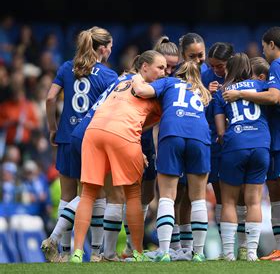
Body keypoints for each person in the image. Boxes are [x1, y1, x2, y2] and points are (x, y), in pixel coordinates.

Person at [223, 27, 280, 261]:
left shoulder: (278, 65)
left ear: (272, 44)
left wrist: (240, 95)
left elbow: (273, 97)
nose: (263, 51)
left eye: (264, 47)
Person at [69, 50, 166, 263]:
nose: (164, 72)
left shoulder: (123, 80)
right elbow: (146, 124)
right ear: (144, 67)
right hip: (121, 135)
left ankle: (77, 252)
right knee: (132, 194)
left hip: (94, 132)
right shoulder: (155, 91)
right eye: (160, 67)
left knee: (88, 194)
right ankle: (138, 252)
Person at [43, 26, 117, 262]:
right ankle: (95, 252)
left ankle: (62, 254)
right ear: (103, 49)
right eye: (110, 48)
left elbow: (50, 97)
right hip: (92, 140)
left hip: (65, 136)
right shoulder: (108, 76)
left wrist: (52, 128)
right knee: (96, 194)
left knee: (66, 196)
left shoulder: (67, 67)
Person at [131, 60, 211, 262]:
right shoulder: (202, 91)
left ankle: (164, 251)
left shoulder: (168, 82)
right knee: (198, 198)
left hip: (172, 133)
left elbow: (140, 90)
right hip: (200, 137)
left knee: (167, 196)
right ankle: (199, 253)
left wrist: (135, 75)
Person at [121, 35, 181, 258]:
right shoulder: (137, 81)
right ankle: (125, 246)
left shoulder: (172, 83)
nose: (169, 71)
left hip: (149, 142)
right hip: (129, 137)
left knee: (146, 195)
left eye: (174, 67)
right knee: (127, 194)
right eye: (165, 66)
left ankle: (134, 245)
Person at [214, 53, 271, 261]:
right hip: (261, 144)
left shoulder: (222, 93)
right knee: (254, 201)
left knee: (229, 201)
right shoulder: (261, 87)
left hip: (235, 145)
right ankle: (252, 253)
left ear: (229, 69)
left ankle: (229, 254)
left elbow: (220, 132)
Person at [201, 42, 236, 255]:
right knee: (222, 197)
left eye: (220, 66)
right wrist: (207, 95)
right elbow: (198, 111)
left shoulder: (244, 75)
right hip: (215, 142)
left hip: (240, 142)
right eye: (212, 66)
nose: (216, 71)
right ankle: (228, 249)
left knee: (243, 197)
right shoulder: (206, 79)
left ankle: (245, 247)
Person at [173, 33, 208, 251]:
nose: (197, 60)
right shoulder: (175, 74)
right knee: (175, 194)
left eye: (200, 55)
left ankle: (191, 247)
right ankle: (176, 247)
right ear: (182, 55)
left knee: (192, 194)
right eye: (191, 56)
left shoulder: (211, 72)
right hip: (179, 137)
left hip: (202, 138)